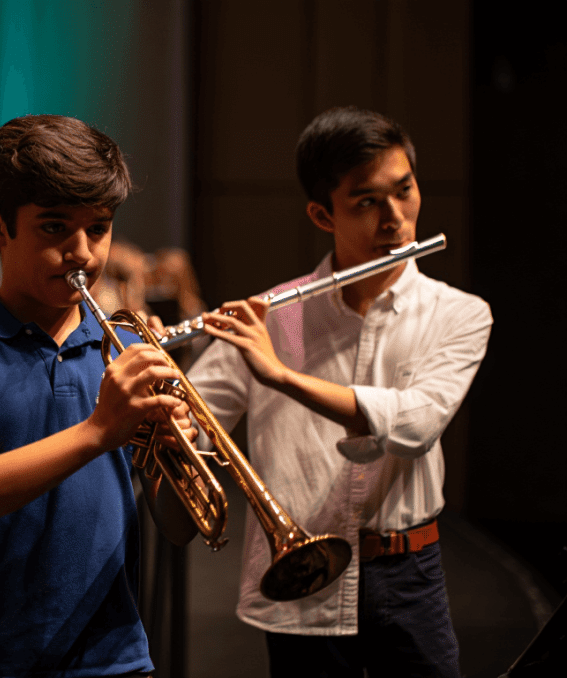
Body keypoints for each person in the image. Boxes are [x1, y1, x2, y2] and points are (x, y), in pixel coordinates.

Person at [186, 106, 492, 677]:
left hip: (409, 575)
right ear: (323, 215)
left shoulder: (460, 314)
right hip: (303, 578)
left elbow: (417, 424)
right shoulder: (273, 316)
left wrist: (281, 376)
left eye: (405, 190)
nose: (396, 218)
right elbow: (193, 421)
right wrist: (156, 380)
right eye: (367, 202)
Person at [0, 114, 198, 677]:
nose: (83, 252)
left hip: (116, 658)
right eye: (54, 228)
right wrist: (97, 432)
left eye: (100, 227)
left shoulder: (127, 347)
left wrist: (176, 456)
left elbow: (184, 528)